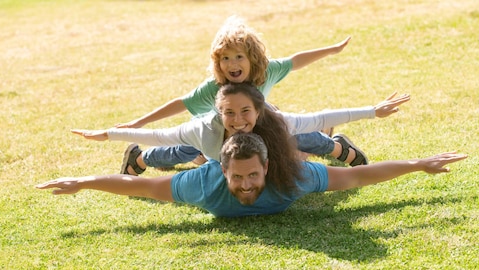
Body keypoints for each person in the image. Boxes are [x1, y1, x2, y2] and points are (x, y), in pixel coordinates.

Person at [110, 16, 369, 175]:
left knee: (292, 136)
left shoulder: (267, 71)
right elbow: (180, 103)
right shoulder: (214, 86)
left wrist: (331, 50)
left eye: (238, 57)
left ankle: (338, 147)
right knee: (187, 149)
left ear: (252, 58)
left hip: (258, 125)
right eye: (225, 58)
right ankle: (141, 158)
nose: (232, 64)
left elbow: (295, 60)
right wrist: (138, 124)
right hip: (217, 134)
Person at [36, 132, 468, 218]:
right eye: (236, 178)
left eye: (252, 177)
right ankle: (146, 152)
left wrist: (417, 165)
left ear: (267, 168)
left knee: (307, 142)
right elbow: (141, 187)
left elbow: (357, 178)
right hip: (202, 155)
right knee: (181, 154)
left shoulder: (293, 177)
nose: (245, 185)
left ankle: (333, 140)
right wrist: (84, 181)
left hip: (283, 147)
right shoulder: (203, 183)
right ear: (220, 170)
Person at [72, 82, 410, 170]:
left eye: (245, 112)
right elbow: (159, 134)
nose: (238, 120)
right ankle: (139, 160)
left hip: (275, 138)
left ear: (258, 109)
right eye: (229, 114)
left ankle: (341, 148)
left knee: (302, 139)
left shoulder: (272, 120)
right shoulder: (206, 128)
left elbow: (322, 117)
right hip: (212, 149)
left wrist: (372, 111)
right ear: (218, 112)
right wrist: (108, 135)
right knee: (181, 153)